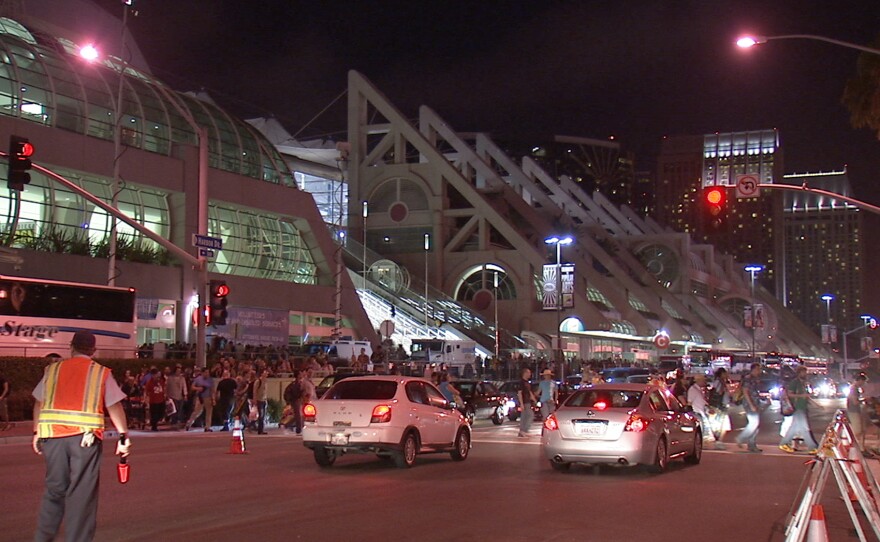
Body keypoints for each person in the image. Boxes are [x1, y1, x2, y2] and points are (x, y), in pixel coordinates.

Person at [31, 330, 131, 542]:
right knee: (81, 495)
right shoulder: (100, 373)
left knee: (54, 491)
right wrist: (123, 436)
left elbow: (39, 402)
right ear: (93, 350)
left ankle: (43, 538)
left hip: (52, 437)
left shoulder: (53, 370)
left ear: (71, 346)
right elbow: (114, 405)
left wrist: (36, 431)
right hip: (85, 441)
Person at [779, 366, 819, 454]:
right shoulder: (795, 383)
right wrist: (802, 396)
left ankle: (784, 443)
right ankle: (812, 447)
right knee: (804, 428)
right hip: (798, 407)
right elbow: (790, 394)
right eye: (803, 372)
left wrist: (816, 405)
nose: (805, 374)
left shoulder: (803, 383)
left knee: (794, 428)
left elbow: (806, 396)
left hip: (802, 408)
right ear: (799, 373)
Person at [735, 363, 764, 453]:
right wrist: (751, 404)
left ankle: (752, 445)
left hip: (755, 403)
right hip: (749, 404)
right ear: (754, 369)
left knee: (756, 425)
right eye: (758, 369)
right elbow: (745, 392)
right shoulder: (748, 379)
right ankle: (740, 438)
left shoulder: (755, 379)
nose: (759, 371)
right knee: (754, 423)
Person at [185, 367, 215, 432]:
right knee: (197, 411)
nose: (207, 374)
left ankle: (207, 427)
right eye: (205, 372)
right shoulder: (198, 379)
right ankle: (189, 423)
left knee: (209, 413)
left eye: (208, 372)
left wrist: (213, 398)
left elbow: (212, 389)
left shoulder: (210, 380)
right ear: (202, 373)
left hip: (208, 397)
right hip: (200, 397)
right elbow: (192, 387)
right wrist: (198, 388)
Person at [709, 368, 732, 450]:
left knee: (723, 424)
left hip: (721, 405)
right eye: (725, 373)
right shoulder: (719, 382)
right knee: (720, 424)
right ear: (722, 374)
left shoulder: (720, 382)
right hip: (719, 406)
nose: (726, 375)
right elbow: (719, 393)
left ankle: (719, 441)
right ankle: (718, 441)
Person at [687, 374, 712, 442]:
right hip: (697, 414)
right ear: (698, 381)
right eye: (703, 380)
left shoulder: (698, 389)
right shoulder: (693, 390)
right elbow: (689, 403)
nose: (705, 382)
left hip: (702, 413)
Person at [847, 372, 869, 450]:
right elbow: (855, 402)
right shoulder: (853, 388)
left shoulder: (855, 388)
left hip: (856, 411)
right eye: (863, 382)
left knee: (862, 430)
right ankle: (852, 446)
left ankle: (861, 448)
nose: (863, 384)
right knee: (857, 431)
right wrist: (864, 400)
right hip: (853, 411)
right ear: (859, 380)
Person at [144, 367, 166, 432]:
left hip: (161, 399)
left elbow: (163, 388)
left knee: (161, 413)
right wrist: (146, 399)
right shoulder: (150, 382)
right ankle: (154, 426)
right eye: (155, 374)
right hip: (154, 401)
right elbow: (147, 391)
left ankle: (155, 422)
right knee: (154, 414)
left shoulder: (161, 381)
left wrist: (165, 396)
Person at [517, 368, 536, 437]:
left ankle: (522, 431)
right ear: (525, 373)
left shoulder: (527, 382)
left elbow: (529, 392)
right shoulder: (521, 382)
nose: (530, 374)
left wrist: (534, 400)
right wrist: (521, 403)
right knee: (530, 415)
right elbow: (520, 393)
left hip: (527, 401)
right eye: (529, 373)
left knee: (524, 416)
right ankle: (524, 430)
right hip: (524, 402)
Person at [253, 368, 269, 434]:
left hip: (263, 400)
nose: (267, 373)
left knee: (263, 415)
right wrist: (255, 400)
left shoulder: (265, 381)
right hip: (259, 400)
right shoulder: (258, 381)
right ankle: (259, 429)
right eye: (265, 372)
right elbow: (255, 391)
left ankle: (261, 429)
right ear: (262, 373)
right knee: (261, 415)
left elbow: (265, 392)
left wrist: (266, 400)